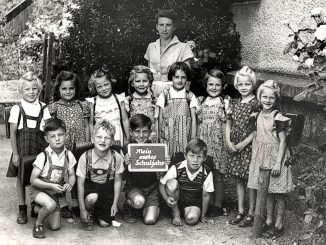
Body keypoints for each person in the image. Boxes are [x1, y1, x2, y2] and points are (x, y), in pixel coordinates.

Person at [248, 80, 293, 238]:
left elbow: (283, 142)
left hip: (275, 157)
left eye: (271, 98)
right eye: (264, 97)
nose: (267, 100)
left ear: (276, 99)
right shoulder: (256, 115)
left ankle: (279, 224)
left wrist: (278, 164)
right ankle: (268, 220)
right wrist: (254, 158)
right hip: (261, 157)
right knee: (266, 191)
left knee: (278, 193)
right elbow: (256, 137)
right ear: (259, 97)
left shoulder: (278, 118)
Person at [8, 71, 51, 225]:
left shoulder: (43, 107)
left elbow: (48, 130)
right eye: (27, 89)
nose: (31, 92)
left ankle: (35, 204)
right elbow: (13, 133)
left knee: (38, 178)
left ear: (38, 90)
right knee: (21, 178)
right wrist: (15, 154)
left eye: (34, 89)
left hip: (39, 148)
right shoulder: (17, 109)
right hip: (22, 148)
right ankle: (22, 208)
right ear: (21, 90)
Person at [48, 70, 91, 218]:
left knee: (77, 174)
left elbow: (86, 126)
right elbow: (50, 129)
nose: (68, 91)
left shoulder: (82, 106)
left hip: (80, 146)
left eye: (71, 88)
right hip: (62, 147)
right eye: (64, 88)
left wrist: (87, 144)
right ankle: (63, 204)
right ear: (58, 89)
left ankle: (76, 203)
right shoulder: (54, 107)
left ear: (76, 89)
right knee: (60, 174)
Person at [225, 66, 260, 226]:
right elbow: (228, 123)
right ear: (236, 85)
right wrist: (228, 141)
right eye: (240, 85)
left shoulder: (256, 104)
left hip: (249, 146)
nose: (243, 87)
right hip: (235, 146)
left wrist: (243, 144)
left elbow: (257, 129)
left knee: (250, 180)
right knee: (238, 179)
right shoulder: (235, 102)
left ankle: (251, 212)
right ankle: (240, 210)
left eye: (247, 84)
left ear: (252, 85)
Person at [29, 118, 76, 238]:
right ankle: (38, 224)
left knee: (55, 226)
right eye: (53, 136)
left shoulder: (68, 155)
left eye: (60, 134)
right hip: (39, 190)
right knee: (50, 205)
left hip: (54, 194)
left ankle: (37, 209)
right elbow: (33, 180)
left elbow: (72, 175)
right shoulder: (43, 156)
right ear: (46, 139)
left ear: (66, 135)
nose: (57, 139)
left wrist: (69, 184)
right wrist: (50, 185)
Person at [122, 114, 170, 224]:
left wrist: (165, 163)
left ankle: (146, 207)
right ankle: (128, 207)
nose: (141, 135)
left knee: (150, 220)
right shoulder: (127, 149)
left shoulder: (155, 148)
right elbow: (122, 176)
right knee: (139, 202)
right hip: (134, 188)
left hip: (152, 188)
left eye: (145, 131)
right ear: (131, 132)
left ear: (149, 132)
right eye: (137, 131)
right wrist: (125, 165)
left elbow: (162, 174)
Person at [76, 120, 124, 230]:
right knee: (92, 197)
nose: (102, 141)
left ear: (112, 141)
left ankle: (98, 213)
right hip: (90, 191)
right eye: (99, 137)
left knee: (104, 224)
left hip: (106, 192)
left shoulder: (116, 158)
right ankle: (88, 212)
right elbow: (80, 185)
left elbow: (117, 182)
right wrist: (82, 209)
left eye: (107, 138)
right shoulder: (85, 157)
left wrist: (115, 203)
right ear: (92, 139)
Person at [159, 138, 214, 226]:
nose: (195, 160)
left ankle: (187, 213)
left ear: (204, 158)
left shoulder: (206, 172)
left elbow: (206, 195)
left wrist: (203, 216)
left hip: (194, 202)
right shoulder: (177, 168)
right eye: (191, 156)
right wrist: (166, 198)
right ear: (185, 156)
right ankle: (176, 213)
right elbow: (162, 184)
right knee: (171, 183)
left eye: (199, 156)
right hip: (177, 199)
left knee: (191, 219)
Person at [197, 68, 227, 216]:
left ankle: (218, 204)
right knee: (204, 172)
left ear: (223, 86)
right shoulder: (201, 101)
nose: (214, 88)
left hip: (218, 143)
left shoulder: (224, 102)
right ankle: (205, 202)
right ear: (206, 85)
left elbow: (227, 123)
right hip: (204, 141)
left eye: (217, 85)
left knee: (218, 174)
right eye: (211, 85)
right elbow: (197, 121)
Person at [144, 9, 194, 97]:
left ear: (174, 27)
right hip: (152, 93)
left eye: (168, 25)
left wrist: (183, 99)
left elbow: (187, 79)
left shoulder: (183, 47)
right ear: (157, 27)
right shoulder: (151, 46)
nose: (164, 29)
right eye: (161, 25)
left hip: (174, 93)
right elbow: (148, 75)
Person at [156, 62, 198, 157]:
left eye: (183, 77)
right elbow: (160, 118)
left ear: (187, 78)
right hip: (168, 137)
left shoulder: (190, 96)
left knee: (183, 160)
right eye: (176, 77)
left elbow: (194, 119)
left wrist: (192, 139)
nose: (180, 80)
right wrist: (159, 139)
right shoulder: (164, 95)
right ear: (171, 77)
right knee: (168, 160)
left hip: (184, 138)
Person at [86, 68, 129, 146]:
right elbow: (91, 123)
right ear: (95, 88)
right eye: (99, 87)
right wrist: (93, 139)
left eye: (106, 84)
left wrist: (128, 137)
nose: (104, 89)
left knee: (117, 156)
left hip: (117, 136)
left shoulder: (119, 99)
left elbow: (125, 119)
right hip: (101, 137)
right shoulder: (93, 102)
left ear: (111, 82)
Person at [125, 65, 158, 141]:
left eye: (145, 81)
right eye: (138, 81)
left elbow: (157, 120)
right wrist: (128, 138)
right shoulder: (128, 101)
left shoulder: (155, 100)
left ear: (149, 82)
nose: (141, 84)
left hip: (151, 138)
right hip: (135, 139)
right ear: (132, 83)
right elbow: (125, 121)